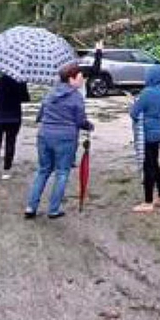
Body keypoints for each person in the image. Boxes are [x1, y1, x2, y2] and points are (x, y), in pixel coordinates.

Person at [25, 62, 94, 219]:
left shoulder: (50, 93)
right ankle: (53, 209)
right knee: (62, 172)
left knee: (43, 171)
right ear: (72, 78)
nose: (83, 80)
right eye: (80, 77)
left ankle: (31, 207)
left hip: (44, 135)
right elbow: (80, 120)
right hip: (65, 138)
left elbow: (40, 115)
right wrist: (89, 126)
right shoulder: (76, 96)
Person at [129, 66, 160, 213]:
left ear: (152, 77)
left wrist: (133, 103)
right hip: (159, 131)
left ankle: (147, 202)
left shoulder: (147, 93)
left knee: (149, 167)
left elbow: (134, 113)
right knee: (155, 162)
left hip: (147, 133)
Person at [0, 73, 30, 179]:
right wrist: (23, 86)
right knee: (10, 143)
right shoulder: (20, 81)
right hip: (14, 117)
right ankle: (7, 169)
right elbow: (26, 98)